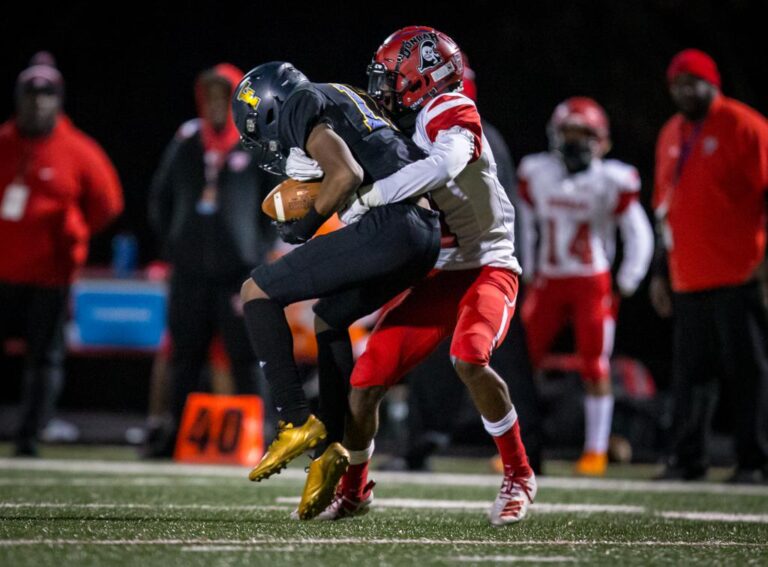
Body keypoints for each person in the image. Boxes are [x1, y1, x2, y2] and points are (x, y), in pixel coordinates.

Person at [308, 27, 536, 526]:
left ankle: (518, 474)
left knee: (469, 357)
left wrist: (372, 196)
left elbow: (444, 165)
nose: (383, 87)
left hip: (487, 265)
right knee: (365, 382)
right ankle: (355, 490)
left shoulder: (450, 109)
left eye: (391, 77)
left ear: (424, 77)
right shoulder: (399, 129)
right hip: (438, 271)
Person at [230, 62, 441, 514]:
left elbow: (342, 172)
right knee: (329, 316)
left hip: (393, 223)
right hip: (423, 234)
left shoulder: (301, 103)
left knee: (256, 292)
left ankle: (292, 419)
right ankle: (329, 449)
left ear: (269, 108)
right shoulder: (344, 96)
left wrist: (303, 225)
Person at [517, 96, 653, 476]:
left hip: (591, 281)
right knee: (521, 364)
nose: (575, 142)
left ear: (602, 141)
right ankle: (519, 446)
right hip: (547, 279)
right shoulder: (537, 171)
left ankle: (594, 450)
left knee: (595, 364)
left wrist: (627, 280)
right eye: (569, 133)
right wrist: (524, 269)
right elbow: (524, 225)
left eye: (584, 134)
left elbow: (638, 233)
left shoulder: (613, 179)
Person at [650, 49, 768, 483]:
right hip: (688, 276)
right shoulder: (671, 133)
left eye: (691, 82)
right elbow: (665, 208)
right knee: (691, 376)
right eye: (676, 84)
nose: (683, 91)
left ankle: (754, 461)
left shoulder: (745, 126)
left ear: (712, 84)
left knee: (748, 372)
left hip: (741, 272)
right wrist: (661, 272)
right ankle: (687, 459)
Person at [147, 63, 277, 456]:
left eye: (224, 95)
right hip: (189, 272)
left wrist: (258, 250)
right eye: (211, 96)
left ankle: (262, 438)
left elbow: (275, 201)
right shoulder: (187, 139)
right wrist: (173, 243)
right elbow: (160, 197)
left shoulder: (254, 142)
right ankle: (172, 436)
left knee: (247, 357)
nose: (216, 104)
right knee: (184, 356)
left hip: (238, 271)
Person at [0, 53, 124, 456]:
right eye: (31, 93)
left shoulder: (79, 149)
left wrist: (77, 231)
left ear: (59, 99)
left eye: (47, 94)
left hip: (50, 275)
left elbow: (108, 203)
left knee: (44, 360)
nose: (38, 101)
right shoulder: (2, 142)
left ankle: (28, 436)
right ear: (19, 97)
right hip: (2, 272)